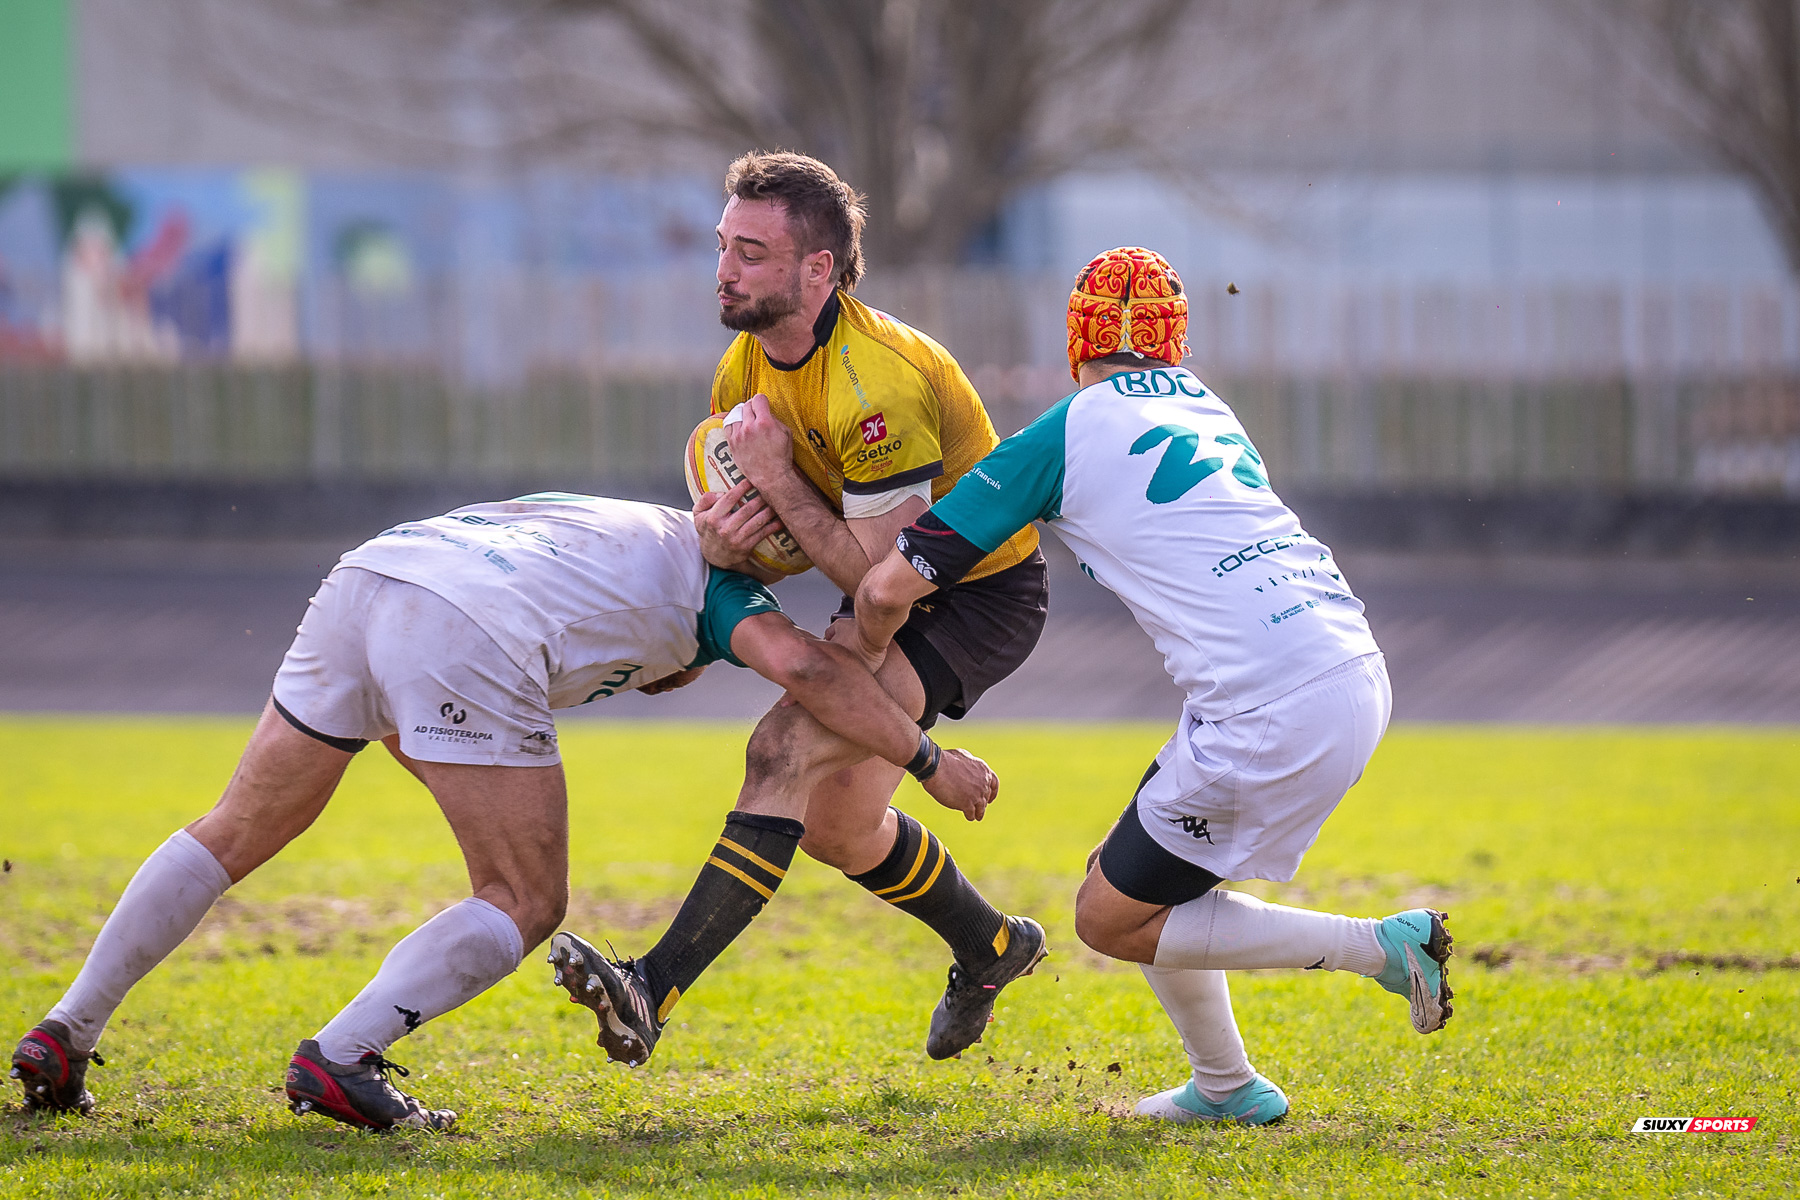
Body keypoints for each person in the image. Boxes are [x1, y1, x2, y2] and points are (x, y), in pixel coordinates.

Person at [9, 493, 996, 1131]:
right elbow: (808, 670)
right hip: (464, 622)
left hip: (373, 573)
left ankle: (65, 1031)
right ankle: (341, 1060)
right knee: (527, 896)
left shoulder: (618, 520)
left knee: (235, 828)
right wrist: (927, 757)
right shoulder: (728, 593)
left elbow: (597, 628)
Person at [846, 247, 1455, 1127]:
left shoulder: (1064, 428)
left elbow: (885, 588)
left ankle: (1383, 951)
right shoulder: (1210, 407)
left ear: (1076, 346)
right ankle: (1226, 1087)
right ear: (1177, 347)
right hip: (1346, 660)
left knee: (1108, 917)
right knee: (1134, 878)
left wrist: (860, 660)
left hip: (1269, 704)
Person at [550, 151, 1050, 1067]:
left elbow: (881, 584)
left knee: (781, 749)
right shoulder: (742, 367)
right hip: (883, 584)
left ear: (817, 271)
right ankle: (991, 947)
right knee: (836, 825)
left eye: (750, 252)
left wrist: (779, 483)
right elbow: (761, 545)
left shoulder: (878, 386)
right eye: (722, 247)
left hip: (975, 595)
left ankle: (648, 990)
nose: (723, 272)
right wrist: (717, 572)